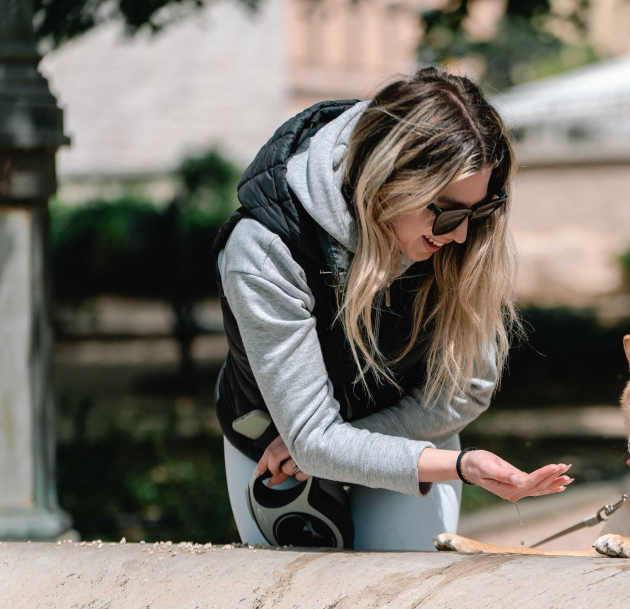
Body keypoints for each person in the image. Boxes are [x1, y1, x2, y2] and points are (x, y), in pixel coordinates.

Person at [214, 67, 572, 551]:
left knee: (404, 590)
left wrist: (348, 441)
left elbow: (466, 389)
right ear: (388, 180)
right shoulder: (264, 249)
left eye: (479, 212)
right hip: (272, 444)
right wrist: (463, 467)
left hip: (405, 433)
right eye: (446, 212)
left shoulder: (458, 233)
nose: (462, 235)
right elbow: (313, 439)